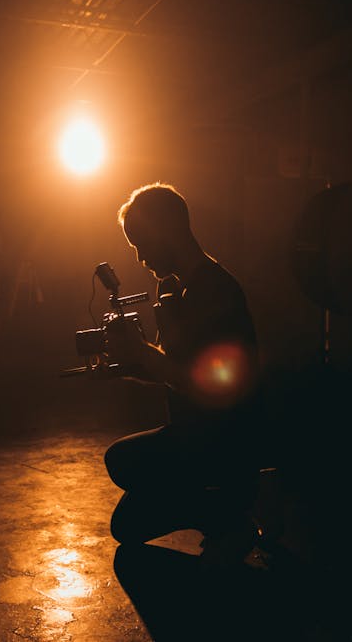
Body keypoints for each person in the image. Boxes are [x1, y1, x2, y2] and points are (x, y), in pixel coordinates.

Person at [102, 182, 265, 568]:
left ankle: (229, 516)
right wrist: (126, 364)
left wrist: (144, 355)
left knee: (121, 461)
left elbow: (211, 387)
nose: (140, 257)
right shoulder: (175, 290)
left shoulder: (215, 291)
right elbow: (174, 373)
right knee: (126, 525)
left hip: (225, 442)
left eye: (141, 242)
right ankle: (216, 511)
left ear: (168, 231)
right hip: (195, 436)